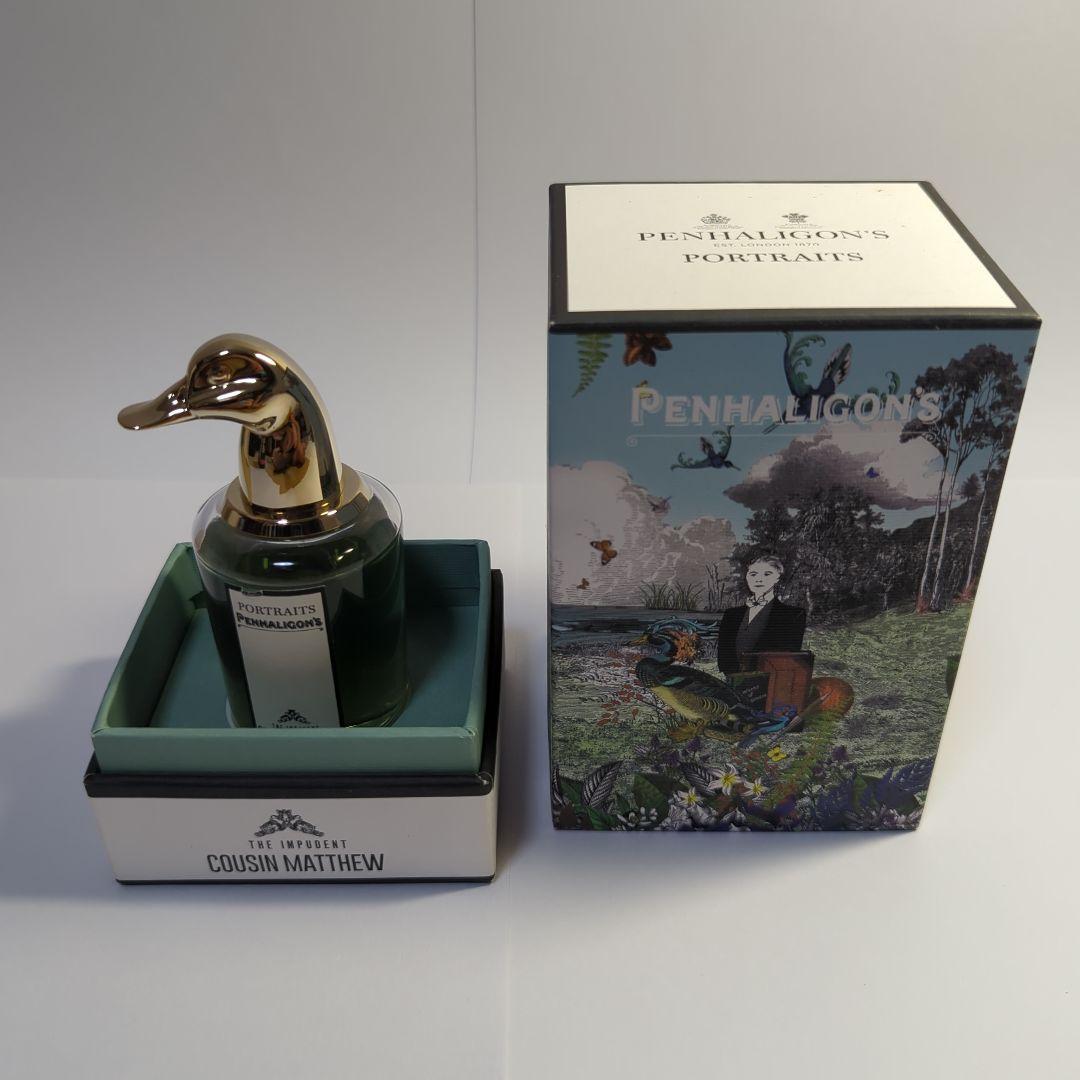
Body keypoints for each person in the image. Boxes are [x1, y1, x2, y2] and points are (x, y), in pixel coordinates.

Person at [715, 554, 806, 675]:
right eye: (753, 574)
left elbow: (786, 660)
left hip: (771, 682)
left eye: (767, 574)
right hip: (732, 680)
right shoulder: (731, 615)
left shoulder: (793, 615)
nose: (759, 579)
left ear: (778, 577)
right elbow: (724, 657)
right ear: (747, 577)